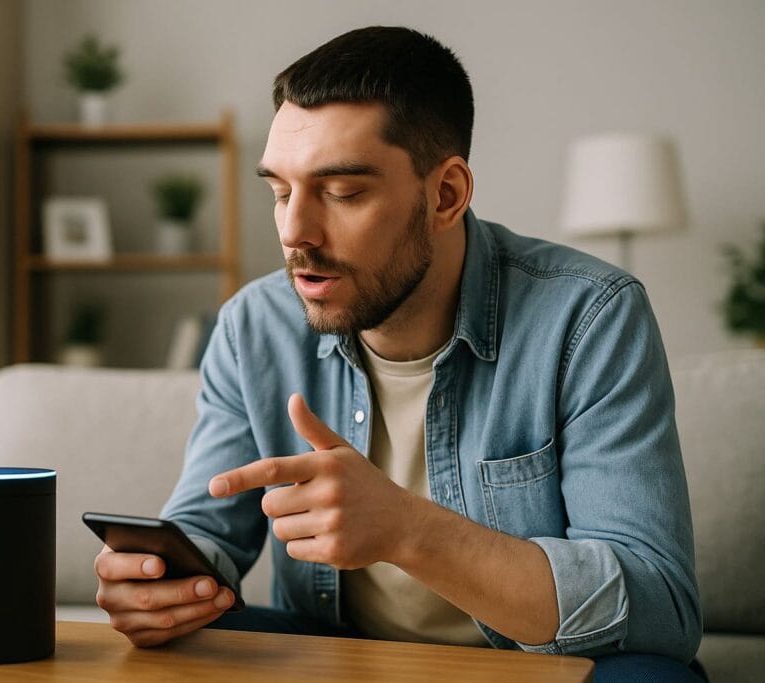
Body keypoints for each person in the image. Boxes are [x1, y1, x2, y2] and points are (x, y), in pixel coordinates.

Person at [93, 26, 703, 681]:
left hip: (532, 665)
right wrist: (157, 583)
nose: (295, 231)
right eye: (280, 190)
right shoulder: (254, 326)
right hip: (340, 654)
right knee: (179, 645)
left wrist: (408, 528)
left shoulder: (589, 317)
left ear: (445, 195)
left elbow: (660, 607)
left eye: (342, 192)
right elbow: (205, 532)